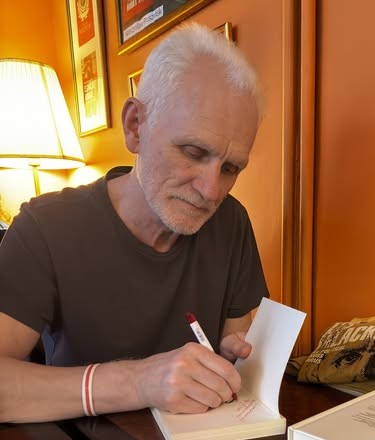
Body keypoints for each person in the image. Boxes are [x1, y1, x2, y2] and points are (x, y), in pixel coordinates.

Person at [0, 23, 268, 423]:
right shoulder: (44, 228)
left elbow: (238, 344)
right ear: (135, 126)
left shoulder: (231, 222)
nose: (211, 191)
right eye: (193, 152)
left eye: (230, 168)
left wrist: (236, 360)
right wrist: (142, 381)